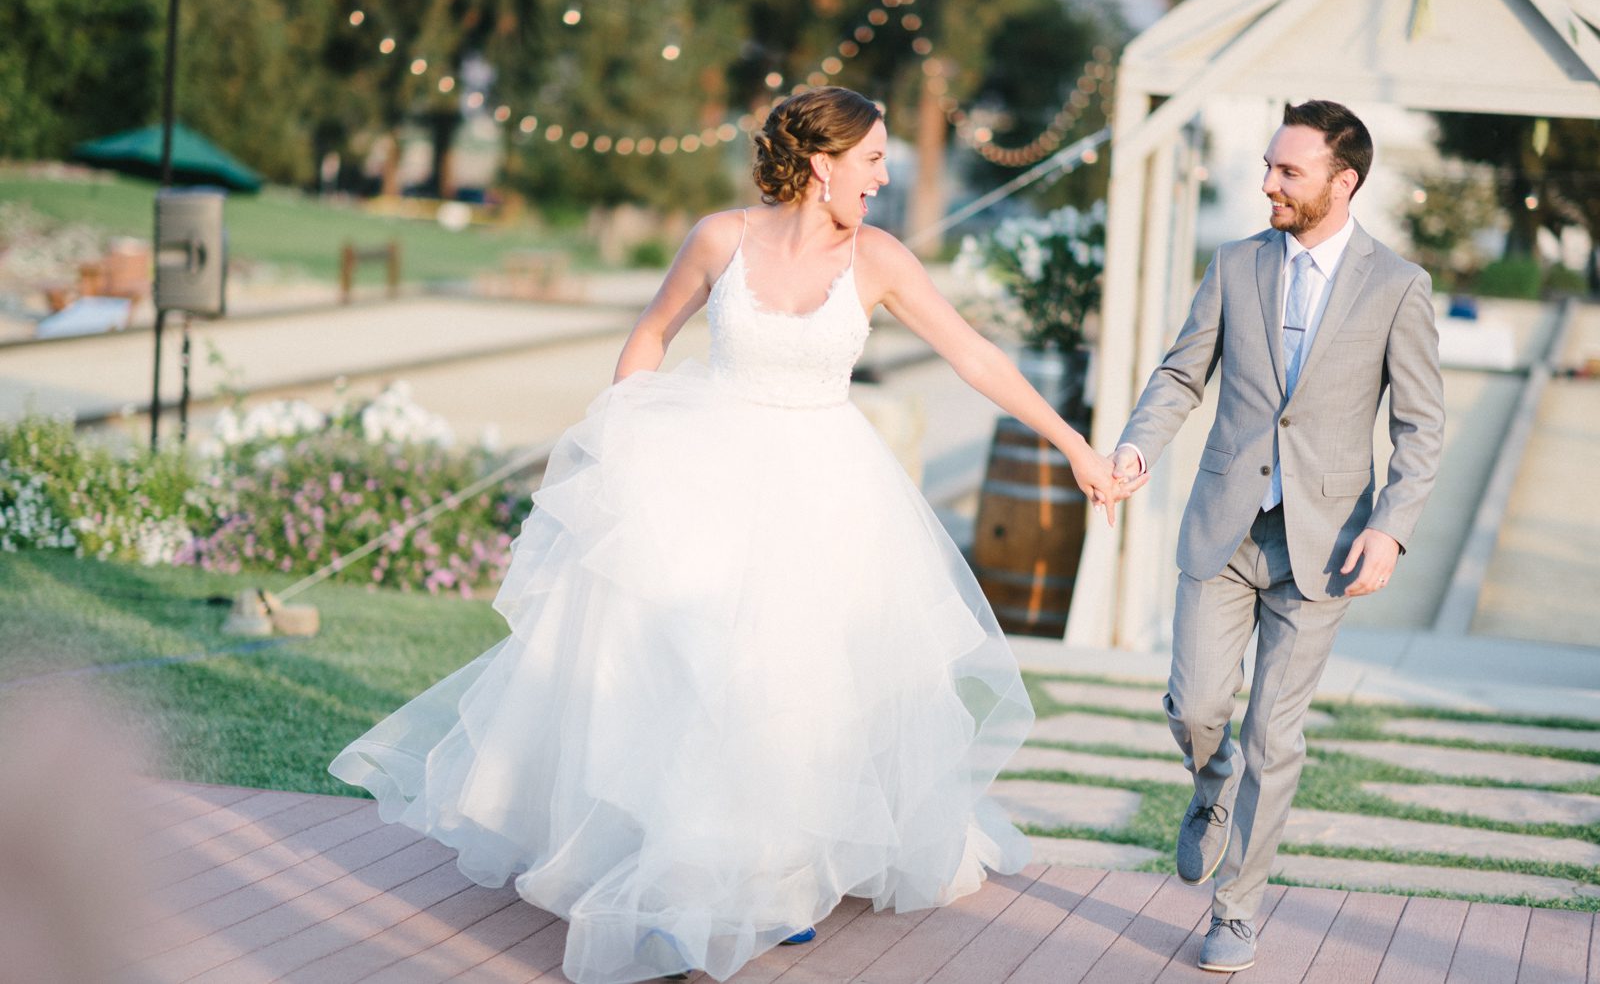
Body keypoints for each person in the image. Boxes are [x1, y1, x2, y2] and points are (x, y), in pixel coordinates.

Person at [331, 86, 1129, 984]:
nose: (881, 177)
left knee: (794, 678)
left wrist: (1075, 448)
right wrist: (619, 437)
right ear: (822, 164)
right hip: (702, 469)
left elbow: (975, 354)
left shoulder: (879, 258)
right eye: (870, 160)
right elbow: (653, 331)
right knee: (687, 666)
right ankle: (679, 851)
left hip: (826, 491)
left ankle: (776, 875)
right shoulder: (720, 237)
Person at [1110, 100, 1444, 973]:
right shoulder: (1235, 264)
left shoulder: (1398, 286)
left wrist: (1391, 530)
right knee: (1197, 707)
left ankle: (1237, 910)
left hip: (1324, 546)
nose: (1268, 184)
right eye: (1268, 165)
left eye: (1288, 172)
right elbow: (1183, 373)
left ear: (1345, 182)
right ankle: (1208, 783)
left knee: (1274, 737)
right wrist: (1138, 445)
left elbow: (1421, 427)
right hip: (1223, 529)